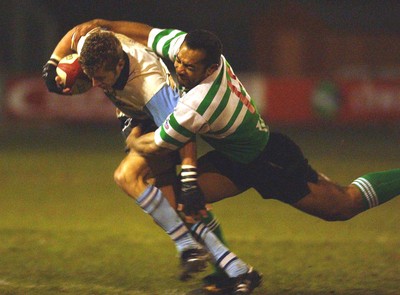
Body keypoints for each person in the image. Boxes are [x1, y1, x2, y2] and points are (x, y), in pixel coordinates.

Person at [73, 19, 400, 294]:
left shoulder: (201, 101)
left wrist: (132, 135)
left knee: (343, 205)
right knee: (180, 197)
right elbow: (144, 33)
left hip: (269, 160)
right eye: (180, 61)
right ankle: (232, 272)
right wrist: (106, 26)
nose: (181, 69)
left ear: (211, 68)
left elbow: (157, 144)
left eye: (190, 66)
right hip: (233, 160)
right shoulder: (186, 48)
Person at [42, 26, 256, 294]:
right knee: (176, 206)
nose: (95, 84)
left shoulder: (150, 84)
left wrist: (190, 176)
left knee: (128, 177)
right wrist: (52, 63)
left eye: (101, 78)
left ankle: (188, 247)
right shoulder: (94, 46)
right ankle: (237, 270)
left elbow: (184, 129)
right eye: (91, 77)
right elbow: (76, 33)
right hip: (140, 119)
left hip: (163, 128)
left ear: (120, 64)